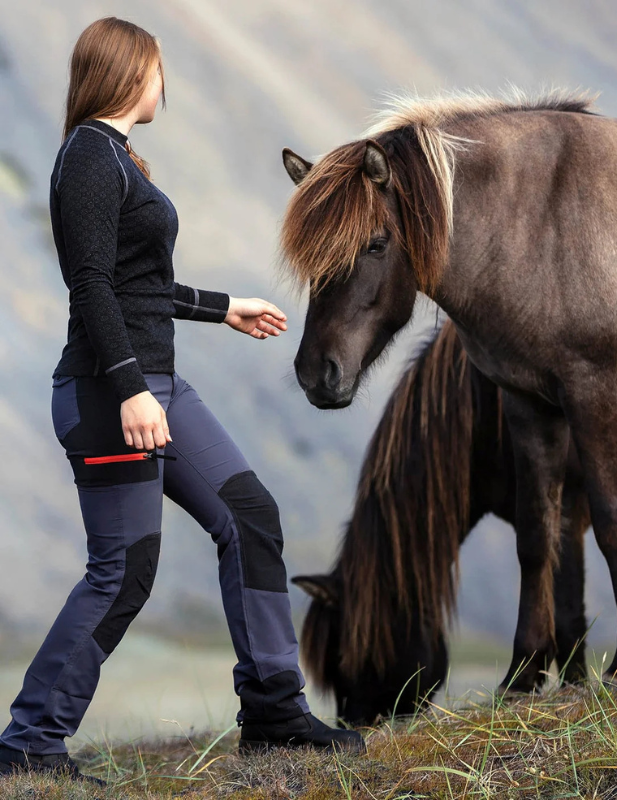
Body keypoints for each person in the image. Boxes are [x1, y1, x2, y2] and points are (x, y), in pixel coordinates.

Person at [0, 16, 363, 785]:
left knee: (250, 516)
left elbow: (138, 284)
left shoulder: (116, 158)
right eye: (159, 69)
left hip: (159, 386)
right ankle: (30, 738)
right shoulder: (89, 158)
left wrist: (222, 306)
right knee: (124, 571)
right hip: (110, 394)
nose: (166, 83)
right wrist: (131, 389)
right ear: (132, 72)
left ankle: (272, 710)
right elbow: (92, 285)